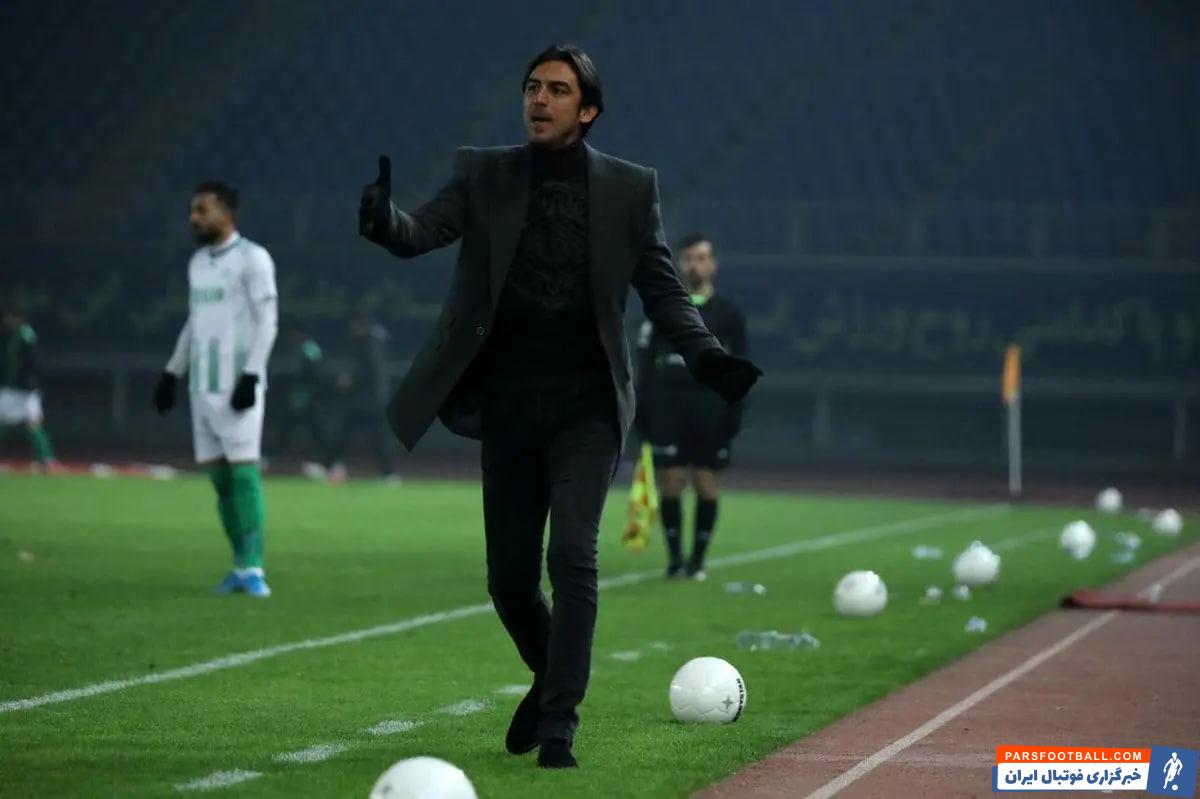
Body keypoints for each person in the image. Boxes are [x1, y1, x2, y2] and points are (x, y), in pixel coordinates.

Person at [358, 44, 761, 769]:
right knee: (509, 580)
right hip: (508, 404)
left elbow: (663, 290)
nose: (539, 99)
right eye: (532, 87)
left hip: (587, 405)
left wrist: (707, 357)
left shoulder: (629, 189)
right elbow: (420, 233)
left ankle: (560, 724)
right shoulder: (485, 173)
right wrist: (384, 218)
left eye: (557, 89)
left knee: (572, 553)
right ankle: (551, 675)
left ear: (589, 109)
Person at [154, 182, 279, 597]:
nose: (194, 218)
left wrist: (252, 375)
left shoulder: (253, 258)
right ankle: (239, 565)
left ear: (227, 213)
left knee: (243, 472)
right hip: (201, 387)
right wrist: (172, 373)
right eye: (193, 211)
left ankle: (254, 567)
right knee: (220, 481)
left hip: (236, 384)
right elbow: (195, 322)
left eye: (202, 210)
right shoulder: (197, 263)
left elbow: (268, 322)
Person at [635, 233, 748, 581]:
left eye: (702, 258)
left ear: (713, 265)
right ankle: (675, 560)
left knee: (705, 482)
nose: (695, 265)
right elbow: (645, 364)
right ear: (680, 265)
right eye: (689, 258)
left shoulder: (729, 313)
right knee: (671, 481)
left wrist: (735, 413)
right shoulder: (663, 309)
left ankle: (698, 561)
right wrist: (643, 412)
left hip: (711, 409)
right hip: (669, 408)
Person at [331, 313, 399, 481]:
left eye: (354, 325)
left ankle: (332, 465)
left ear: (361, 325)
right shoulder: (375, 342)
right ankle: (389, 474)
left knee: (362, 436)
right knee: (363, 436)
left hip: (367, 401)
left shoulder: (369, 344)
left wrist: (350, 381)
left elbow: (369, 372)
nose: (351, 330)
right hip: (372, 400)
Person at [0, 308, 59, 472]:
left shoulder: (24, 336)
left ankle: (46, 460)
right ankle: (46, 460)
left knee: (29, 423)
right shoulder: (19, 335)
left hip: (19, 390)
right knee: (31, 424)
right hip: (21, 389)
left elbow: (29, 363)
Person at [273, 326, 336, 480]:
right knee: (289, 428)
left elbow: (314, 374)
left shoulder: (310, 349)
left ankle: (329, 462)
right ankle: (272, 455)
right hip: (302, 398)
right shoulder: (306, 349)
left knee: (315, 431)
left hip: (309, 399)